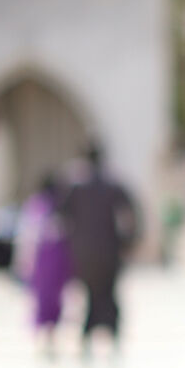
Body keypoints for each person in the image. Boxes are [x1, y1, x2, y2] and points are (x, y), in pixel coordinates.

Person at [61, 142, 139, 356]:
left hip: (85, 252)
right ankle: (111, 339)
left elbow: (62, 215)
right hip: (108, 250)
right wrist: (129, 241)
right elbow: (132, 212)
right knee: (108, 295)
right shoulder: (111, 184)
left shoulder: (76, 184)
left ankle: (89, 340)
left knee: (91, 296)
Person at [13, 172, 74, 357]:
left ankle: (48, 339)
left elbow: (27, 236)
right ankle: (48, 339)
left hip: (47, 261)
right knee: (49, 301)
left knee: (47, 302)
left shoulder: (41, 205)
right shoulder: (51, 205)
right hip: (51, 261)